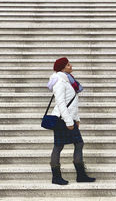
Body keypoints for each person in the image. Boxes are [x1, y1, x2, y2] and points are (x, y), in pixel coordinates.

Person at [46, 57, 96, 185]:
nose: (71, 66)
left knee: (78, 143)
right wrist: (69, 121)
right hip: (62, 119)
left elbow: (72, 103)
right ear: (62, 68)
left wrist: (76, 119)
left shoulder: (68, 80)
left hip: (69, 118)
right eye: (68, 65)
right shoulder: (60, 82)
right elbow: (61, 103)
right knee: (59, 146)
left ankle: (81, 175)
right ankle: (56, 177)